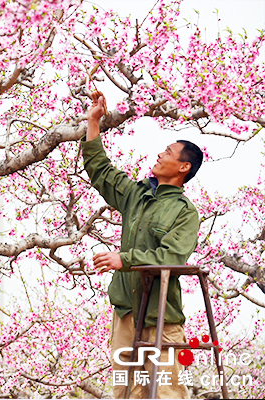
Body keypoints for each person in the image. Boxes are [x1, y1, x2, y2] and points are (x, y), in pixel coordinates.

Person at [83, 92, 203, 399]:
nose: (160, 155)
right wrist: (93, 121)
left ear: (183, 168)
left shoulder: (184, 212)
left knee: (167, 392)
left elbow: (172, 256)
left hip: (160, 316)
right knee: (125, 392)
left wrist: (126, 259)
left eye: (168, 152)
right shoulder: (136, 195)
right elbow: (101, 171)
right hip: (126, 312)